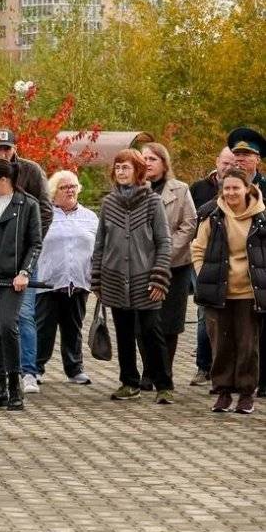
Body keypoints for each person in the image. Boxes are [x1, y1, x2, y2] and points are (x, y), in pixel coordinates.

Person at [91, 149, 174, 404]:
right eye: (117, 167)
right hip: (114, 278)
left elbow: (164, 242)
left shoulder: (152, 201)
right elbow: (99, 244)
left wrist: (159, 277)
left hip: (145, 278)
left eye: (125, 167)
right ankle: (129, 382)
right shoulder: (109, 203)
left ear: (138, 171)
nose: (120, 172)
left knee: (151, 332)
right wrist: (97, 278)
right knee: (124, 333)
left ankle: (164, 385)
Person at [0, 129, 53, 396]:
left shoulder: (31, 173)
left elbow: (44, 210)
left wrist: (24, 246)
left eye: (7, 148)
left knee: (19, 318)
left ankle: (26, 372)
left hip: (20, 264)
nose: (3, 153)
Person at [191, 168, 265, 415]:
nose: (232, 192)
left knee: (248, 345)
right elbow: (198, 249)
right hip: (218, 291)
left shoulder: (261, 217)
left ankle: (246, 394)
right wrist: (204, 275)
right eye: (227, 188)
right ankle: (222, 392)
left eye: (237, 187)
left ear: (247, 189)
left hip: (249, 292)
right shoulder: (212, 216)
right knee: (220, 345)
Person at [141, 142, 197, 387]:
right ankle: (148, 371)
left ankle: (165, 370)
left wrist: (165, 254)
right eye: (143, 158)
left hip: (175, 267)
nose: (148, 162)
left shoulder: (181, 189)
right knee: (143, 322)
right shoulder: (134, 190)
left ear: (164, 162)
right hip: (141, 266)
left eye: (153, 158)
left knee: (169, 323)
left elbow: (189, 225)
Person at [33, 170, 97, 385]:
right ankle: (35, 368)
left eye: (73, 186)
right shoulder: (45, 215)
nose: (70, 190)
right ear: (53, 191)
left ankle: (74, 368)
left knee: (74, 328)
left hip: (78, 282)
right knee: (43, 329)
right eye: (64, 187)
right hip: (48, 281)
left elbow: (99, 249)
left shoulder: (90, 217)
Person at [188, 146, 236, 386]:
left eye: (233, 164)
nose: (229, 167)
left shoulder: (240, 189)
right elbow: (191, 223)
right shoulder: (199, 189)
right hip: (205, 261)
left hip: (234, 263)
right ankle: (203, 366)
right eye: (225, 163)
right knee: (204, 314)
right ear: (217, 162)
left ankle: (230, 369)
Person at [227, 126, 266, 394]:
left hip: (262, 266)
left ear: (257, 160)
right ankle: (236, 380)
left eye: (246, 155)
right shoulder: (226, 189)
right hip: (236, 272)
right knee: (239, 331)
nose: (240, 159)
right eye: (236, 154)